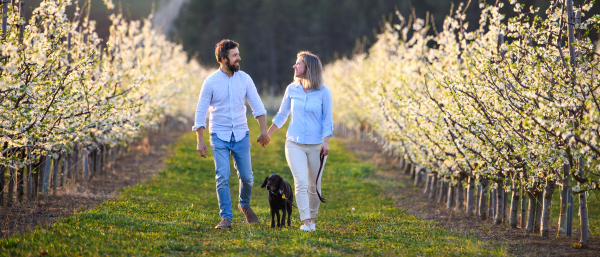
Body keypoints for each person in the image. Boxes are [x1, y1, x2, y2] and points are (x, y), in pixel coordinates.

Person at [193, 39, 271, 229]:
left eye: (238, 54)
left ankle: (244, 205)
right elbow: (201, 112)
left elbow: (257, 106)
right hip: (218, 135)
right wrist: (200, 141)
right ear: (223, 59)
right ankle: (226, 218)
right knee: (222, 175)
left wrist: (263, 131)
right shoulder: (210, 82)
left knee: (247, 177)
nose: (239, 58)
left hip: (241, 134)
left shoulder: (245, 79)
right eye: (235, 55)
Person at [267, 51, 333, 232]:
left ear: (308, 67)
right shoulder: (292, 89)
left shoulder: (323, 92)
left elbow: (328, 121)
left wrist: (326, 142)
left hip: (316, 146)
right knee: (301, 183)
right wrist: (268, 133)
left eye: (298, 64)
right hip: (294, 144)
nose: (294, 66)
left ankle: (312, 220)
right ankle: (305, 222)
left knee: (314, 185)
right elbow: (282, 115)